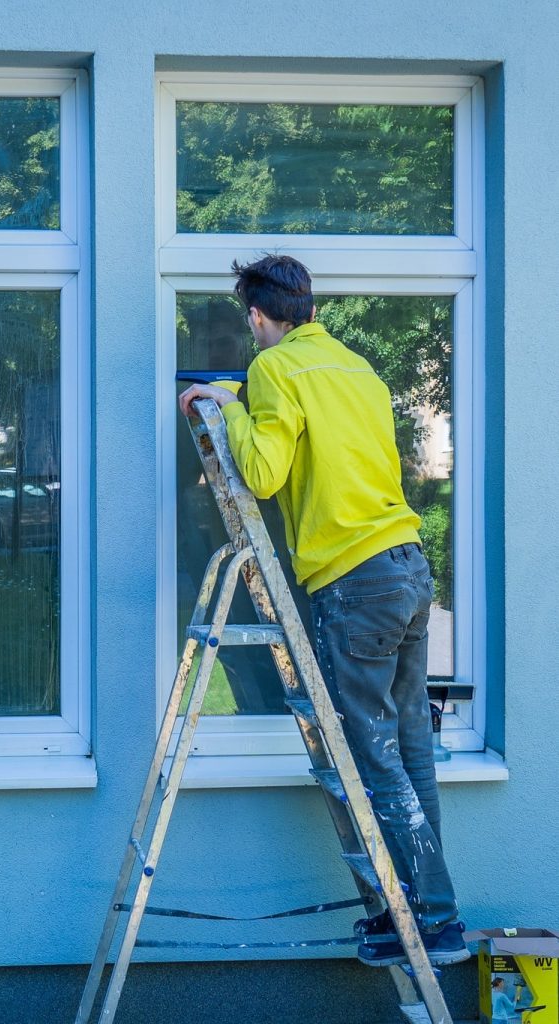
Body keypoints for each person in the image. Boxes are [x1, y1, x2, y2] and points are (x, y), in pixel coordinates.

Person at [178, 254, 467, 967]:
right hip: (405, 567)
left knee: (367, 757)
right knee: (407, 749)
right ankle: (420, 914)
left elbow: (264, 473)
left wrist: (226, 404)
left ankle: (431, 919)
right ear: (309, 307)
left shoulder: (273, 369)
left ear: (256, 316)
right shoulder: (357, 368)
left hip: (353, 582)